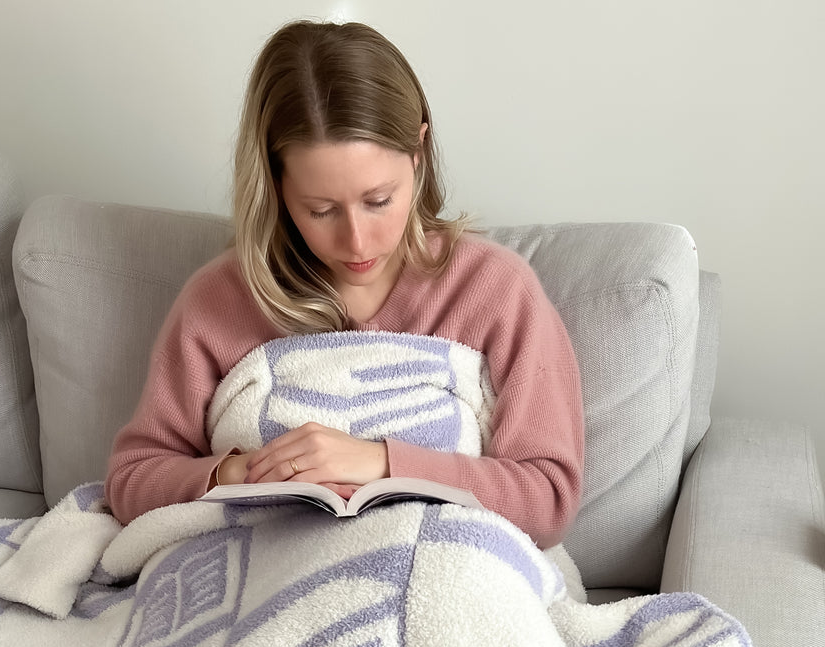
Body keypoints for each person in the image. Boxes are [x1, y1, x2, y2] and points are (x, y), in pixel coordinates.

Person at [104, 20, 583, 549]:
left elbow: (548, 498)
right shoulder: (219, 300)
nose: (357, 242)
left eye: (379, 200)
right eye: (321, 210)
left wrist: (378, 462)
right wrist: (243, 474)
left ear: (418, 154)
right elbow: (131, 482)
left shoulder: (494, 290)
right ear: (277, 184)